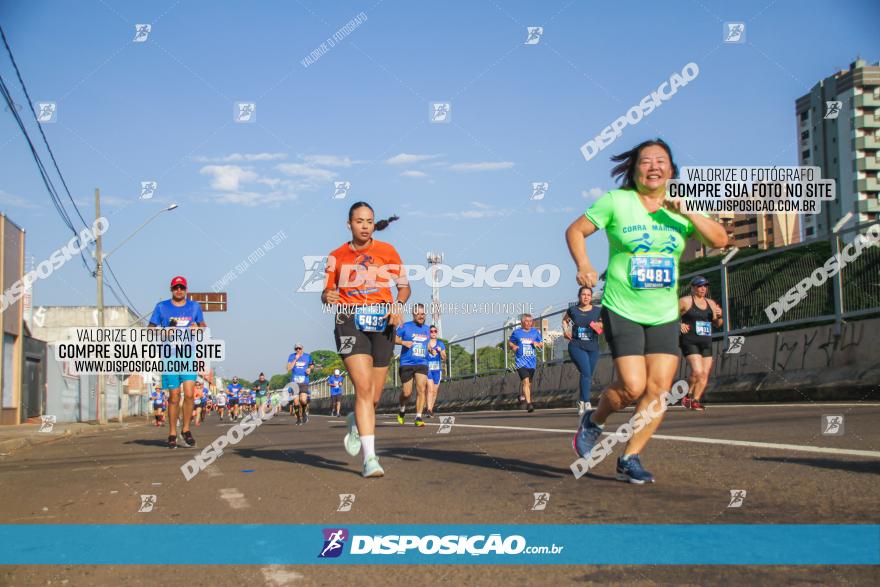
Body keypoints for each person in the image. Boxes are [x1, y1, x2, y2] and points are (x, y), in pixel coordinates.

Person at [565, 138, 727, 483]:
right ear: (634, 169)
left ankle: (631, 456)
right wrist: (584, 263)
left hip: (664, 314)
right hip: (622, 307)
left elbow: (720, 240)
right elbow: (576, 230)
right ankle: (594, 421)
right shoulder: (617, 202)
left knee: (659, 389)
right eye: (645, 161)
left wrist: (687, 211)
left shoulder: (680, 210)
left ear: (671, 169)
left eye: (661, 161)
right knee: (633, 387)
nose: (653, 166)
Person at [322, 201, 406, 478]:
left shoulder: (387, 251)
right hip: (348, 321)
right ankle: (370, 459)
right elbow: (327, 292)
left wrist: (397, 305)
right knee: (364, 388)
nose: (365, 226)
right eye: (359, 221)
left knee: (375, 398)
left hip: (382, 322)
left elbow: (404, 287)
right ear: (349, 224)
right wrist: (327, 296)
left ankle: (356, 422)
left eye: (369, 221)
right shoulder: (336, 256)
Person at [149, 275, 207, 449]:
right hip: (170, 356)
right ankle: (172, 432)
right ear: (171, 290)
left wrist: (198, 328)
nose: (179, 290)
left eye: (182, 287)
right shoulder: (161, 307)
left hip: (188, 355)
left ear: (186, 289)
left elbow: (204, 327)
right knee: (174, 397)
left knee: (189, 394)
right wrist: (164, 332)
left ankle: (186, 430)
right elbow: (150, 330)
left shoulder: (194, 306)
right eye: (176, 288)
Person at [679, 275, 723, 411]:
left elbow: (718, 324)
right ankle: (687, 395)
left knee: (704, 373)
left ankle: (695, 400)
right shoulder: (685, 301)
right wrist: (678, 324)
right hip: (689, 340)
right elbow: (669, 316)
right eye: (699, 286)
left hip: (705, 341)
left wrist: (720, 316)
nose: (703, 289)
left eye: (705, 286)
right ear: (692, 288)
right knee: (697, 371)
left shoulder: (711, 303)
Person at [562, 286, 603, 416]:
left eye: (588, 295)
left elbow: (603, 326)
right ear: (579, 296)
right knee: (585, 372)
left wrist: (600, 326)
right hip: (576, 346)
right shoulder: (573, 310)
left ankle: (580, 401)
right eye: (583, 294)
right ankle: (587, 403)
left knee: (587, 375)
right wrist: (566, 330)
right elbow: (564, 320)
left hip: (593, 347)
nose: (586, 297)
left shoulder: (597, 311)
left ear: (591, 297)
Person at [395, 303, 431, 427]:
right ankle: (402, 409)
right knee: (407, 393)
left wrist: (430, 349)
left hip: (422, 362)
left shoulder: (427, 329)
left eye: (423, 314)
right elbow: (393, 338)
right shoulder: (405, 326)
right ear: (413, 314)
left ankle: (418, 417)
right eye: (418, 314)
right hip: (406, 363)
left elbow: (427, 343)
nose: (421, 316)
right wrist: (403, 342)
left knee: (421, 389)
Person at [508, 313, 544, 413]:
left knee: (529, 384)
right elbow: (510, 342)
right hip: (520, 362)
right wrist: (513, 346)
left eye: (530, 321)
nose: (529, 323)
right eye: (526, 321)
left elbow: (541, 344)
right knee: (526, 382)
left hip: (531, 362)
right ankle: (529, 404)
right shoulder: (517, 333)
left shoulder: (535, 332)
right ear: (522, 322)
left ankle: (522, 396)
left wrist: (537, 344)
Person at [287, 344, 314, 424]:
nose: (298, 350)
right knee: (295, 402)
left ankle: (304, 413)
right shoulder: (292, 356)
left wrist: (309, 369)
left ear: (302, 348)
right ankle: (298, 418)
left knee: (303, 400)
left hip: (304, 381)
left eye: (299, 348)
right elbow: (288, 368)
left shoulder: (307, 356)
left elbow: (312, 365)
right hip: (294, 382)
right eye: (296, 349)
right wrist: (295, 359)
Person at [426, 325, 446, 418]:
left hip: (437, 370)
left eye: (435, 331)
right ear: (428, 332)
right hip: (427, 369)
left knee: (434, 391)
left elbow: (444, 358)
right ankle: (429, 410)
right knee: (430, 389)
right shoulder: (426, 343)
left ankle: (431, 409)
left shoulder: (440, 343)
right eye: (431, 331)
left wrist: (440, 351)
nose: (433, 333)